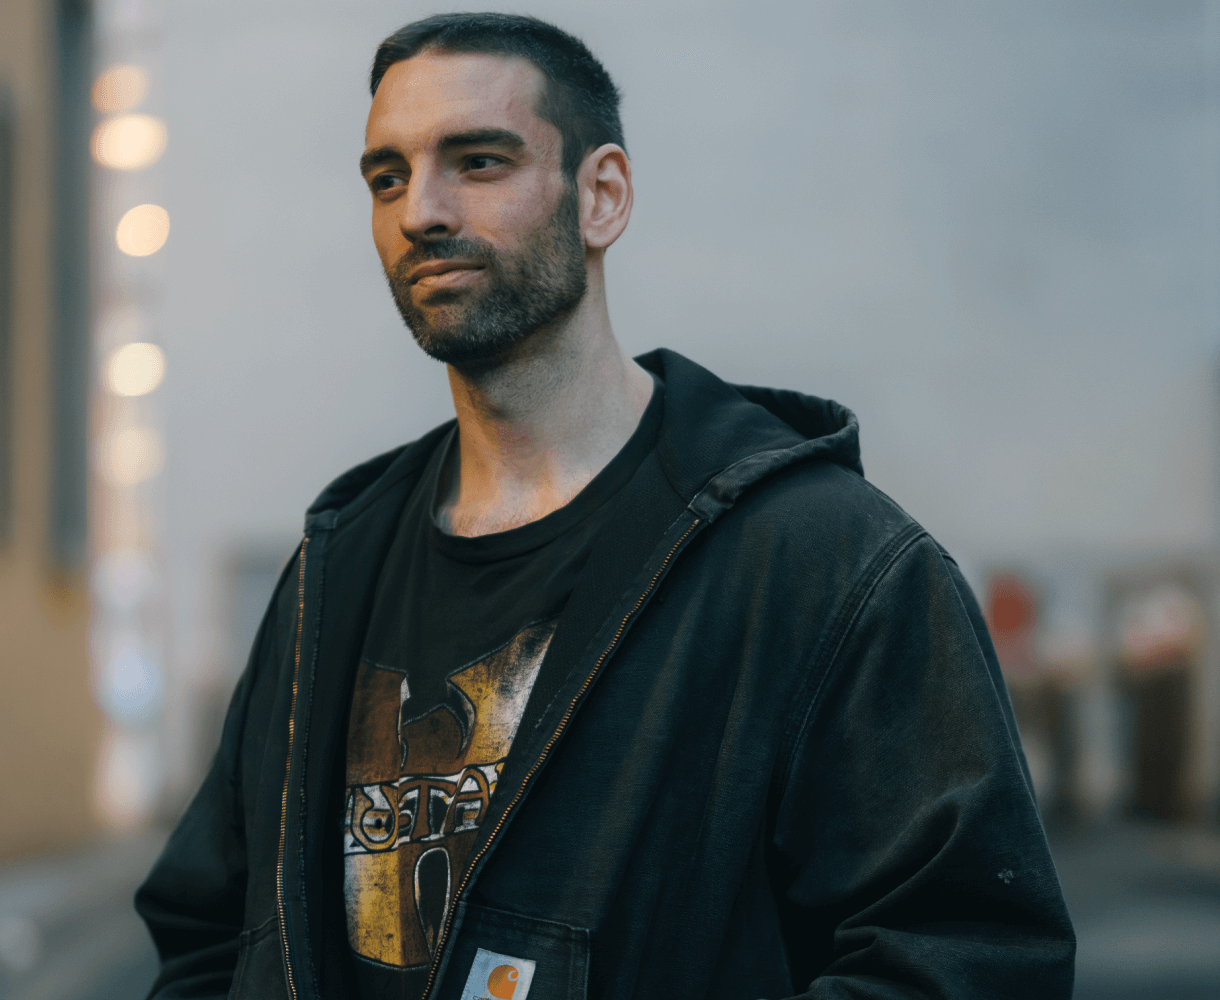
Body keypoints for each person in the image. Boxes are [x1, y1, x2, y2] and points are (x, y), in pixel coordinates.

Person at [136, 13, 1075, 1000]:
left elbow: (970, 961)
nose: (421, 209)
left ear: (602, 196)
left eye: (479, 161)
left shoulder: (827, 565)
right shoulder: (336, 569)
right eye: (387, 176)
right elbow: (210, 934)